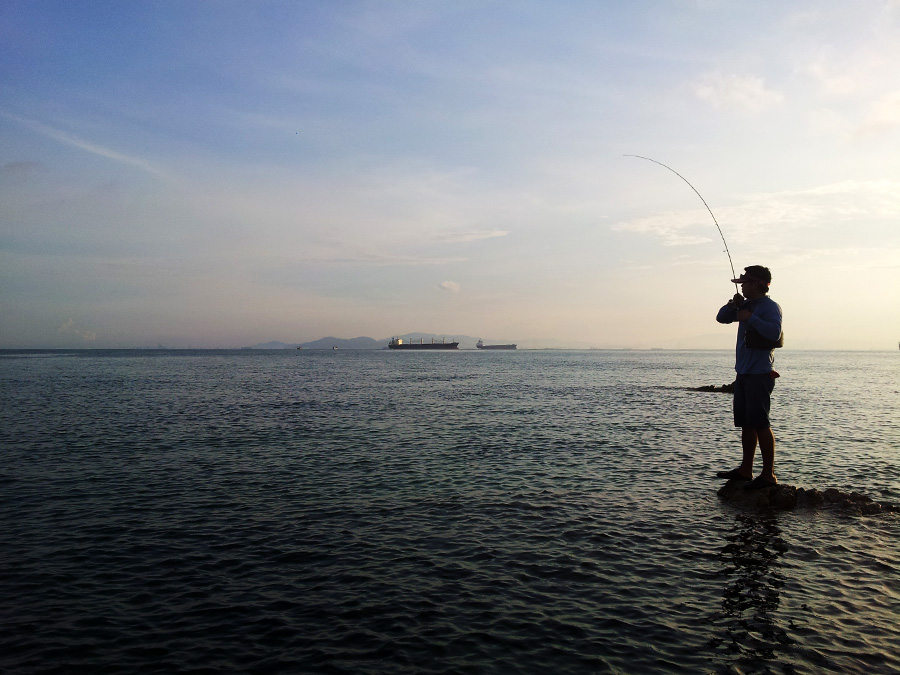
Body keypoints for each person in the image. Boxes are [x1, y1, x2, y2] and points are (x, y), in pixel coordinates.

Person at [715, 265, 783, 490]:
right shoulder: (745, 305)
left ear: (756, 284)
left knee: (761, 423)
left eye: (744, 283)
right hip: (743, 373)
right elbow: (721, 318)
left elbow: (774, 332)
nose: (742, 286)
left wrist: (750, 318)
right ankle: (746, 470)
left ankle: (768, 475)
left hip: (760, 374)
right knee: (747, 424)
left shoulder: (770, 307)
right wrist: (733, 304)